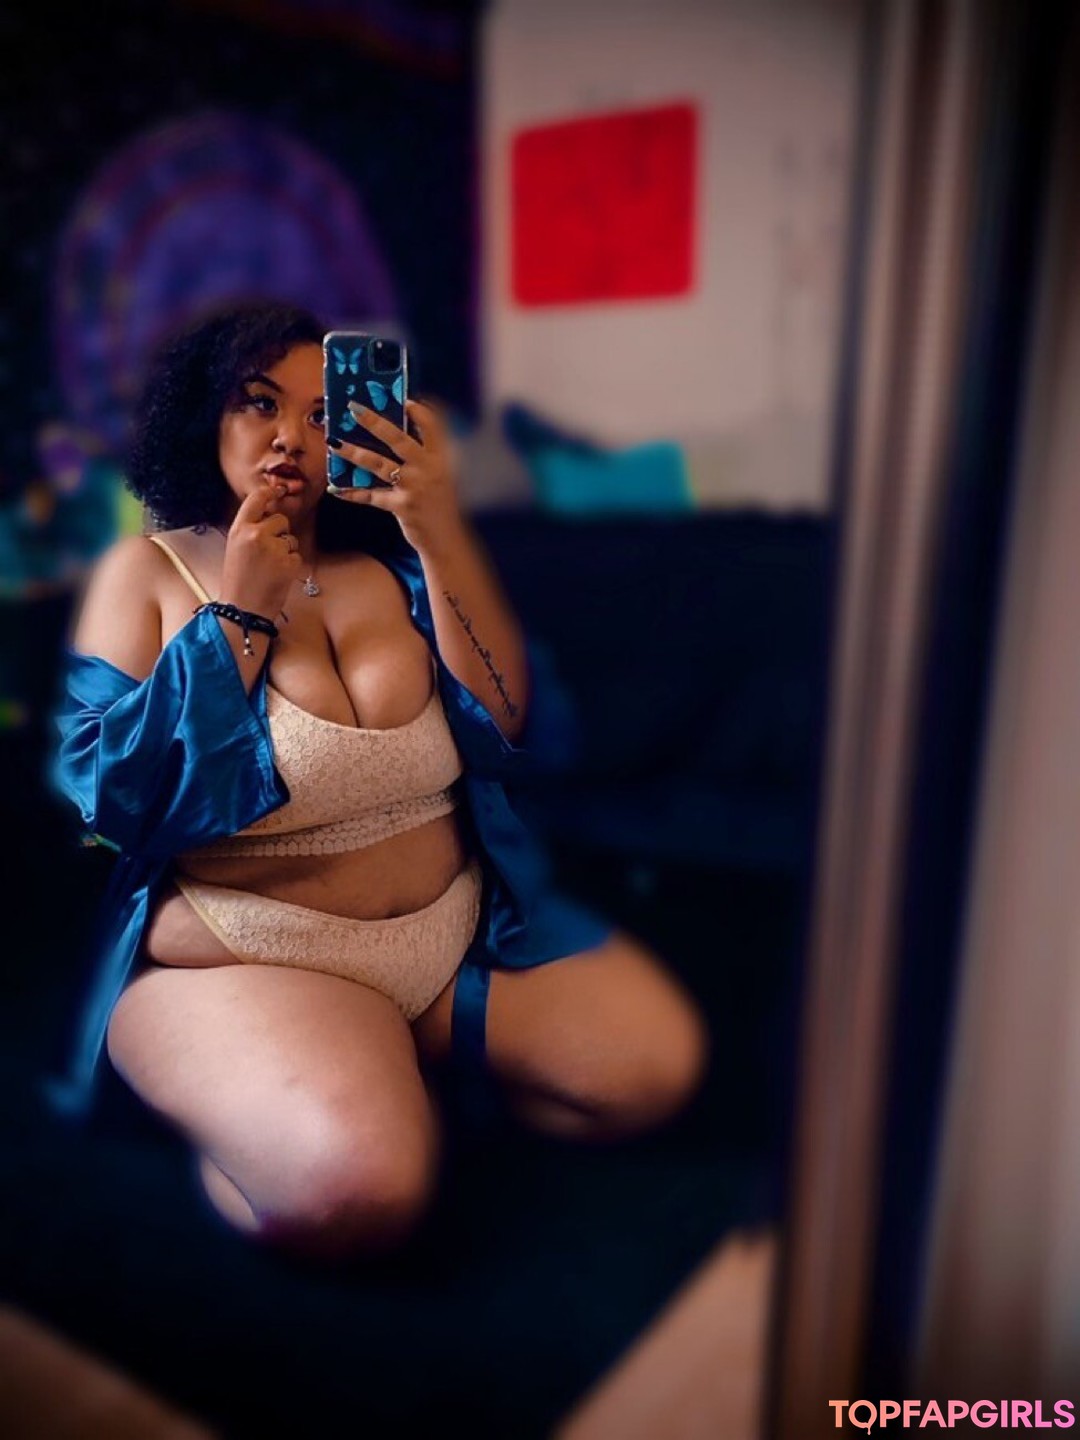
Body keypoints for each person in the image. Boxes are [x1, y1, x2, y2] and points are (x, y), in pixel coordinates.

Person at [45, 298, 709, 1261]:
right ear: (204, 415)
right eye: (259, 402)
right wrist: (241, 617)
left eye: (323, 414)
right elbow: (114, 804)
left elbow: (504, 721)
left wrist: (439, 531)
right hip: (250, 956)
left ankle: (377, 1065)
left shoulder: (389, 567)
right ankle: (255, 1091)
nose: (290, 437)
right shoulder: (144, 573)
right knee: (358, 1197)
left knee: (654, 1073)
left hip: (449, 941)